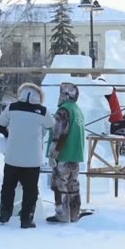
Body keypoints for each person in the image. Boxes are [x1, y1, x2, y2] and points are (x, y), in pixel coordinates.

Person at [0, 83, 54, 229]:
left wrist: (9, 134)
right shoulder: (43, 111)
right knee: (30, 190)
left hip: (12, 157)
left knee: (8, 187)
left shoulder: (12, 108)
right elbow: (51, 125)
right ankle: (26, 219)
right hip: (32, 160)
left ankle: (5, 214)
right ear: (39, 96)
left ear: (21, 93)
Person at [46, 82, 85, 223]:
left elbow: (59, 133)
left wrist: (53, 153)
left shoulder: (63, 110)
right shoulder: (77, 109)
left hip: (63, 154)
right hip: (75, 154)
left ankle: (62, 214)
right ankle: (74, 214)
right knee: (72, 184)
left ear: (65, 94)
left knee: (59, 184)